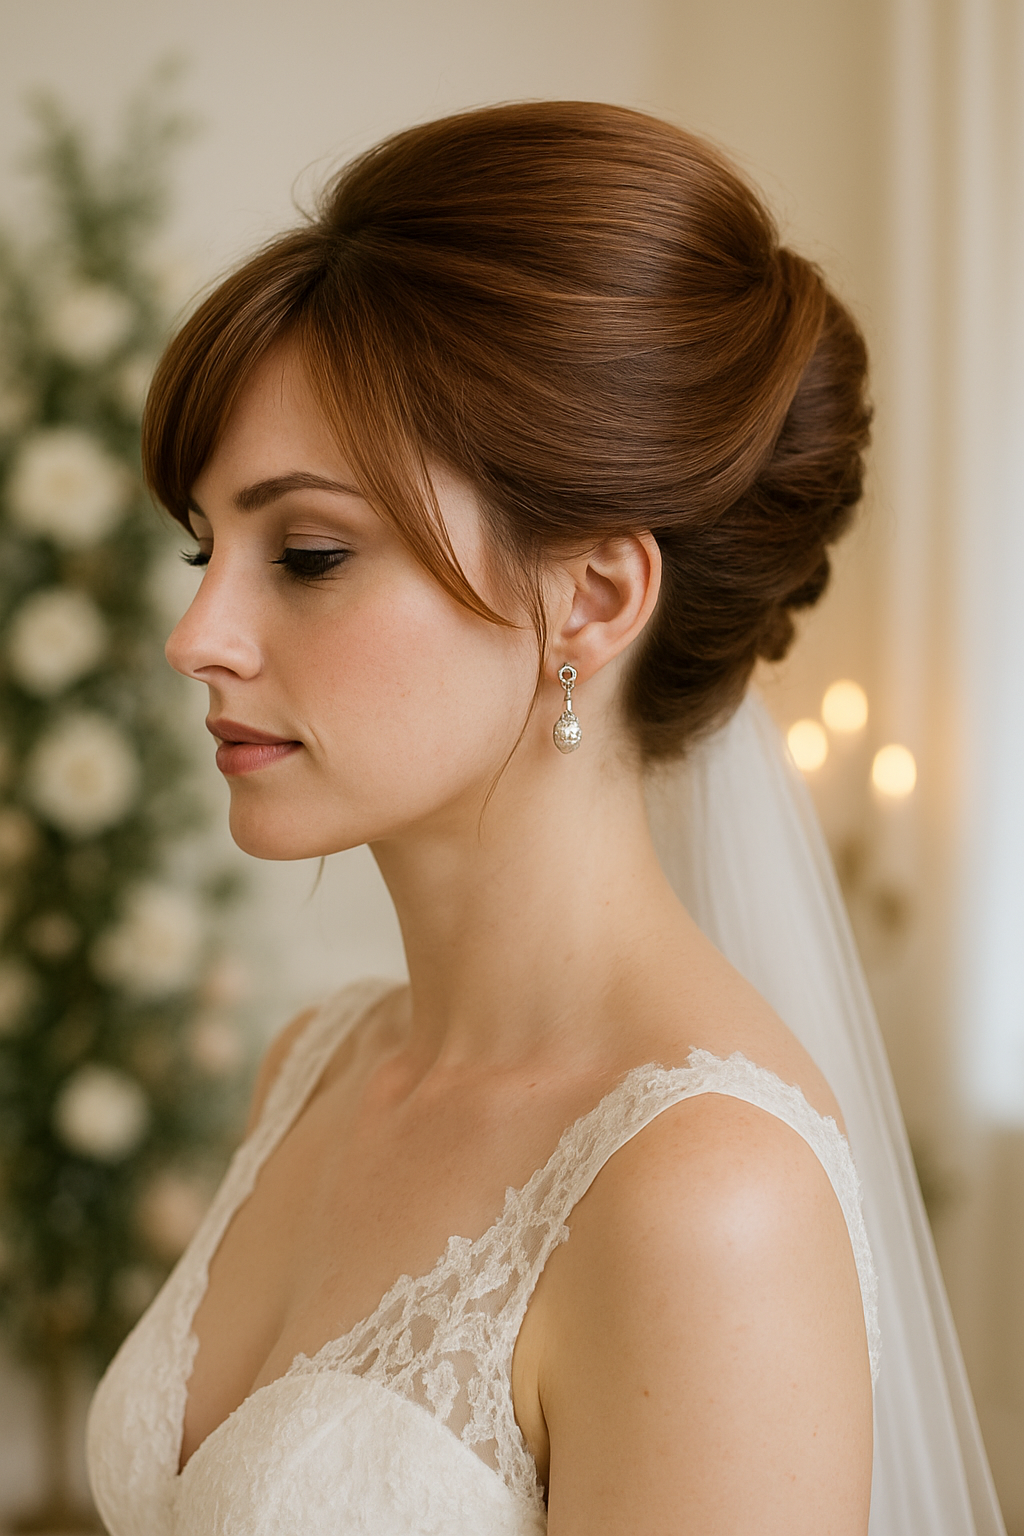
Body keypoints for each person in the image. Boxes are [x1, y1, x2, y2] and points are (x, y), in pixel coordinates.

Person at [86, 101, 1003, 1535]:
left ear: (590, 598)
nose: (197, 633)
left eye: (309, 553)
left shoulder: (706, 1199)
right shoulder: (314, 1069)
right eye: (208, 549)